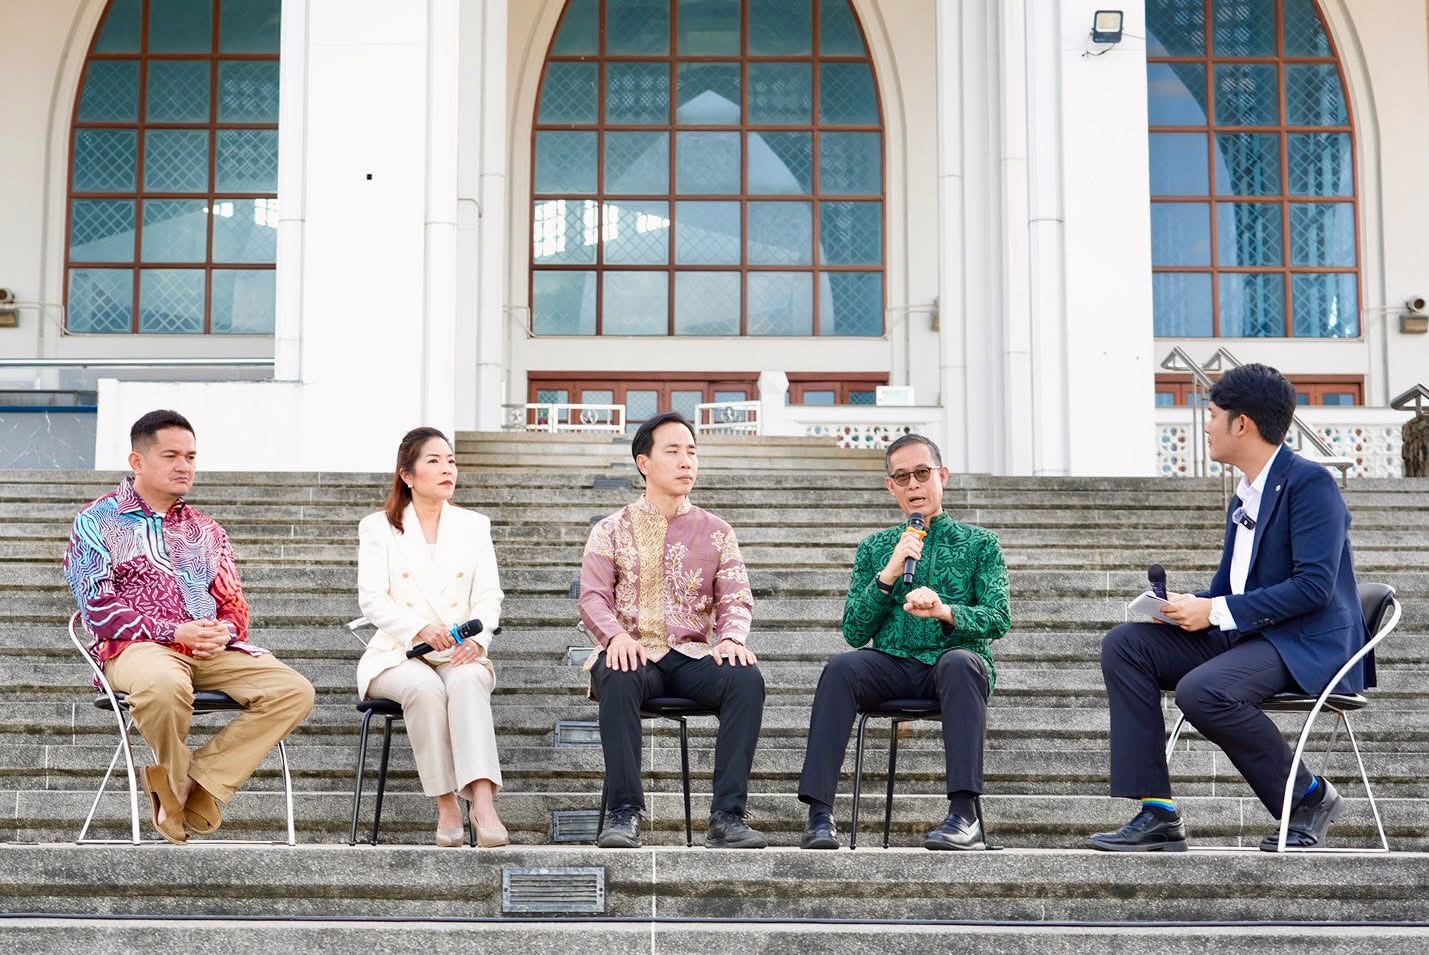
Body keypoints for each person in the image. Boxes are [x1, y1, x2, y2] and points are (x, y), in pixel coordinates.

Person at [1090, 363, 1372, 853]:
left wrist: (1217, 611)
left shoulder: (1311, 484)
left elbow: (1313, 588)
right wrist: (1190, 605)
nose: (1206, 426)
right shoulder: (1245, 494)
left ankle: (1308, 797)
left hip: (1302, 641)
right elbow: (1230, 587)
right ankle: (1157, 812)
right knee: (1126, 645)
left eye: (1212, 414)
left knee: (1203, 690)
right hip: (1251, 635)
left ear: (1241, 423)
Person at [63, 410, 315, 844]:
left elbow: (233, 603)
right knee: (163, 684)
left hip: (209, 650)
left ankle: (191, 783)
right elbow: (97, 607)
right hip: (136, 648)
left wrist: (224, 632)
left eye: (191, 457)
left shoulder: (207, 530)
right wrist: (173, 632)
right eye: (171, 456)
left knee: (294, 690)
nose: (184, 466)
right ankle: (178, 782)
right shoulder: (97, 521)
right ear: (137, 461)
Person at [796, 434, 1011, 851]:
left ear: (942, 476)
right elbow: (854, 631)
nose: (913, 484)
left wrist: (945, 611)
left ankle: (964, 815)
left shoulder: (981, 544)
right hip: (893, 664)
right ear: (890, 486)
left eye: (922, 473)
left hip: (953, 666)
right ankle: (819, 814)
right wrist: (889, 574)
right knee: (841, 668)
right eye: (902, 477)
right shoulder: (876, 548)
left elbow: (998, 617)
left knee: (960, 662)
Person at [579, 411, 764, 849]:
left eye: (692, 452)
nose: (686, 462)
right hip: (634, 654)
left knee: (746, 679)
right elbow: (592, 598)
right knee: (617, 671)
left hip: (693, 656)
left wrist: (732, 639)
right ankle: (624, 813)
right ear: (643, 462)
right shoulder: (610, 530)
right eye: (674, 451)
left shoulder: (718, 531)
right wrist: (615, 638)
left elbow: (736, 596)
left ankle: (727, 817)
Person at [357, 426, 508, 847]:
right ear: (407, 474)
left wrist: (478, 640)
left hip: (459, 649)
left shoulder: (474, 525)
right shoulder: (378, 527)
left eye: (451, 461)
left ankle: (483, 802)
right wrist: (417, 629)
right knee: (425, 689)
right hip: (396, 653)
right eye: (434, 461)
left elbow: (489, 595)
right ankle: (446, 804)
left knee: (469, 680)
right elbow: (372, 599)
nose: (447, 469)